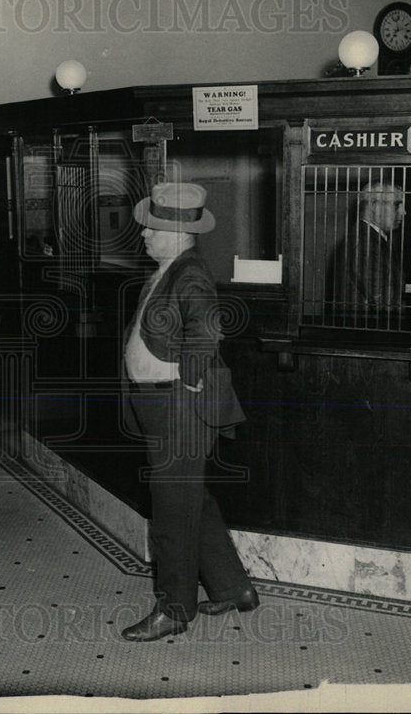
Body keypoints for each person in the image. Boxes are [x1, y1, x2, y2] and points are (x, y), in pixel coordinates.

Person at [120, 181, 256, 642]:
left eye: (152, 229)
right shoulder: (171, 266)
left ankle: (175, 609)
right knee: (189, 498)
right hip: (164, 403)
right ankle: (234, 588)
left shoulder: (190, 273)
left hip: (179, 404)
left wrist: (189, 384)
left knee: (172, 509)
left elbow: (207, 332)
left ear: (177, 232)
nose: (144, 235)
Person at [324, 182, 408, 329]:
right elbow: (385, 302)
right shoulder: (364, 243)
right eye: (397, 205)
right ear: (375, 206)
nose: (403, 212)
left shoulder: (372, 239)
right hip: (366, 335)